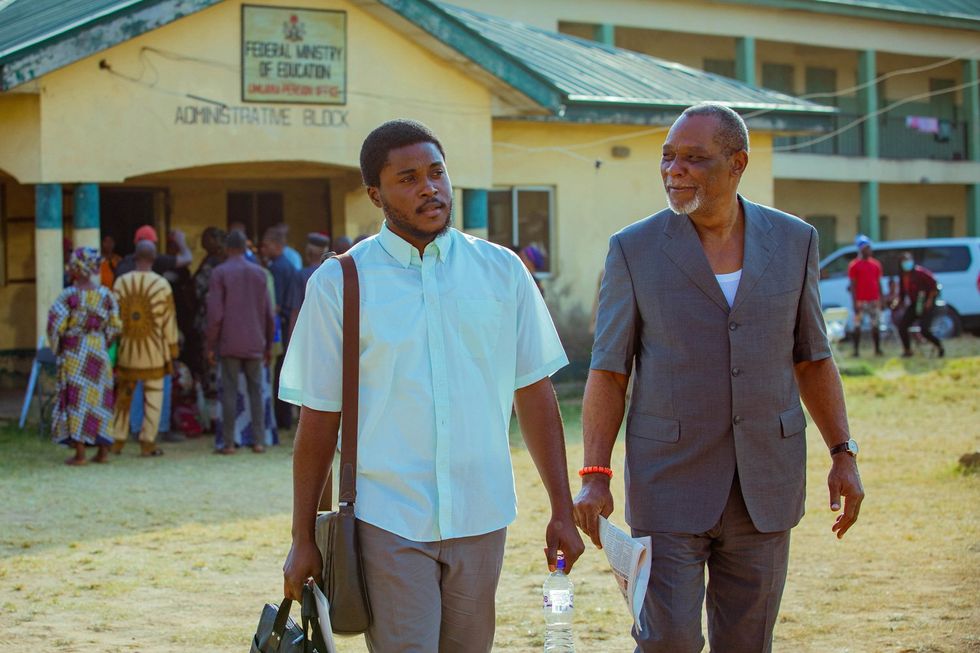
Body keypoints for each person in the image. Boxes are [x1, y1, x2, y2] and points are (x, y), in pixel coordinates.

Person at [280, 119, 584, 651]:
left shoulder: (501, 272)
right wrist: (303, 538)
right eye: (409, 178)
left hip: (481, 513)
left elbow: (534, 394)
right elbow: (320, 419)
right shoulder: (339, 285)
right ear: (376, 194)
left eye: (437, 172)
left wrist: (561, 508)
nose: (430, 188)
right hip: (387, 519)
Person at [573, 103, 865, 652]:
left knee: (747, 642)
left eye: (693, 159)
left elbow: (813, 358)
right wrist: (595, 472)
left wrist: (843, 454)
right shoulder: (632, 250)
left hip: (766, 482)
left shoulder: (794, 240)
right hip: (669, 484)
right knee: (669, 641)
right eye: (667, 157)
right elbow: (609, 370)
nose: (673, 170)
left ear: (738, 164)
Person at [47, 247, 122, 465]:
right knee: (100, 399)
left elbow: (55, 325)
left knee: (78, 399)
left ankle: (80, 454)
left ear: (76, 268)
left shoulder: (68, 296)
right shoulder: (106, 295)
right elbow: (115, 326)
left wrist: (58, 345)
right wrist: (101, 341)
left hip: (75, 351)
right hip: (98, 350)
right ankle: (103, 452)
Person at [207, 230, 275, 454]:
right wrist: (268, 345)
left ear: (227, 248)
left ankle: (228, 442)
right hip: (255, 340)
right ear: (245, 249)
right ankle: (258, 441)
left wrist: (210, 344)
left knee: (229, 391)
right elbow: (268, 312)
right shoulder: (259, 273)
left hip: (229, 342)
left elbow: (215, 314)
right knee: (257, 392)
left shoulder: (220, 273)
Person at [110, 240, 179, 457]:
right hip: (155, 354)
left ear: (134, 257)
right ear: (153, 258)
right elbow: (169, 322)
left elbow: (114, 321)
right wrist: (172, 349)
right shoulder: (162, 285)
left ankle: (117, 439)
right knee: (154, 399)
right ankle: (147, 442)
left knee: (123, 398)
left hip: (127, 353)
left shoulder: (121, 283)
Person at [259, 225, 298, 430]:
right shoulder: (287, 264)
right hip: (284, 324)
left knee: (277, 375)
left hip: (279, 326)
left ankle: (280, 418)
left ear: (276, 245)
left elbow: (276, 303)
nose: (262, 250)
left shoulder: (277, 268)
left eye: (265, 245)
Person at [893, 251, 944, 358]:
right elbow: (902, 294)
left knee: (924, 330)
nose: (906, 263)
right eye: (904, 261)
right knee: (902, 326)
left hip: (927, 304)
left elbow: (935, 286)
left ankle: (939, 346)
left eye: (908, 260)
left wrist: (929, 300)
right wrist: (897, 303)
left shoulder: (920, 273)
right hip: (915, 304)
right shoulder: (903, 276)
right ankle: (907, 350)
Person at [286, 232, 331, 337]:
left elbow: (295, 312)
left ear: (308, 252)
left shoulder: (300, 276)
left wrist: (290, 343)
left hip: (308, 334)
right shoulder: (334, 273)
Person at [847, 235, 884, 357]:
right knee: (857, 326)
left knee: (876, 325)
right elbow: (852, 286)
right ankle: (856, 350)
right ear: (861, 249)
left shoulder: (876, 264)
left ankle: (877, 349)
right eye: (867, 248)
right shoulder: (854, 265)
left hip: (874, 300)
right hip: (860, 301)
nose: (870, 250)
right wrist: (854, 302)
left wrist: (881, 299)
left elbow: (879, 284)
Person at [113, 225, 192, 277]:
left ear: (135, 242)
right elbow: (188, 259)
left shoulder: (123, 263)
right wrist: (181, 241)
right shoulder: (157, 260)